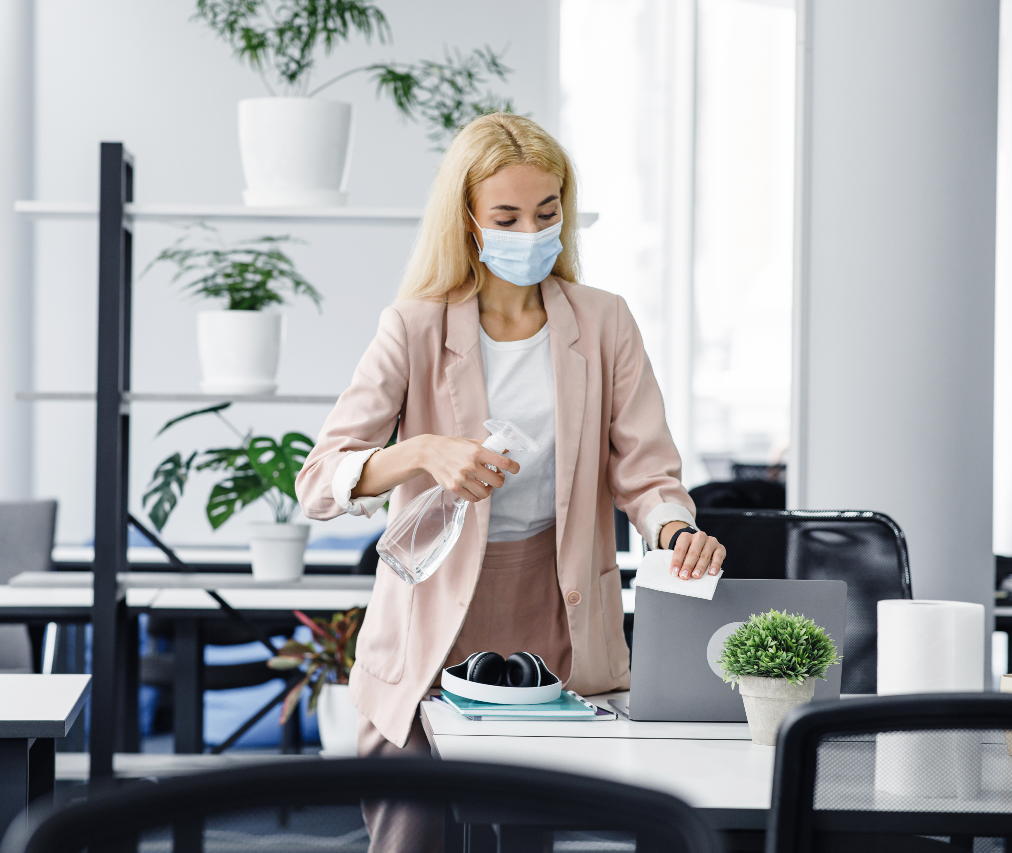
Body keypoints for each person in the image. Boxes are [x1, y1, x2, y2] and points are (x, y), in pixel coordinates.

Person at [295, 113, 726, 850]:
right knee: (412, 834)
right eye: (507, 216)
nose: (530, 231)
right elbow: (320, 481)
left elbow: (647, 470)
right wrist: (425, 450)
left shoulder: (604, 322)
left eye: (547, 212)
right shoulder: (415, 326)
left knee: (525, 836)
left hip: (554, 611)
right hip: (432, 612)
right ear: (467, 219)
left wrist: (674, 529)